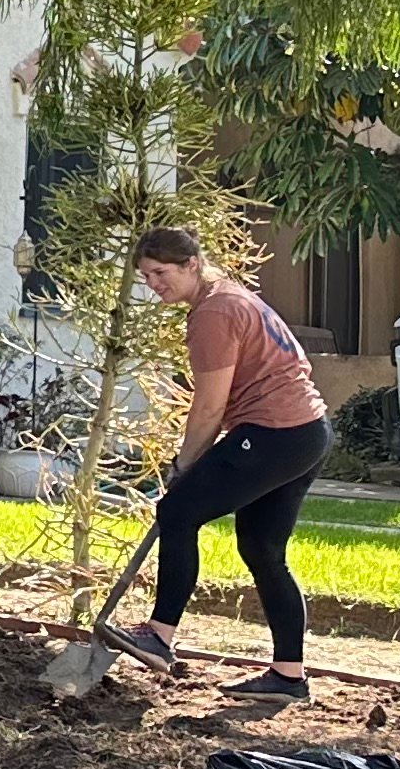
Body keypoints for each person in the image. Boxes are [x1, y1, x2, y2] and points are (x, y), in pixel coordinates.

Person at [108, 224, 331, 701]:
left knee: (177, 512)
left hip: (273, 431)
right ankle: (288, 676)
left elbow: (210, 406)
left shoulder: (213, 312)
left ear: (192, 265)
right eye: (146, 276)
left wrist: (183, 466)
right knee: (262, 548)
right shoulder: (233, 297)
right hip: (307, 433)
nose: (154, 284)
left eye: (161, 272)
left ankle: (159, 636)